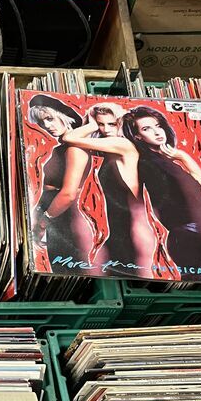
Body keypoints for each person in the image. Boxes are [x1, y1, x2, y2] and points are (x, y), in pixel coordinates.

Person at [121, 106, 201, 278]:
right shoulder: (147, 163)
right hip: (186, 236)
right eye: (146, 129)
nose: (157, 132)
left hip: (200, 232)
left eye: (158, 126)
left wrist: (184, 157)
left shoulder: (169, 160)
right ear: (138, 136)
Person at [61, 103, 145, 276]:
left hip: (132, 218)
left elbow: (69, 137)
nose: (106, 129)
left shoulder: (121, 143)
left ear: (121, 122)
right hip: (118, 218)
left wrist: (91, 125)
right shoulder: (107, 147)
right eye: (101, 124)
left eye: (112, 124)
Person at [27, 95, 93, 264]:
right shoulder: (63, 148)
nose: (46, 126)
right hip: (54, 216)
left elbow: (69, 194)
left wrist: (43, 223)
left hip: (64, 218)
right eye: (42, 122)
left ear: (64, 116)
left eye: (49, 119)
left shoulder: (75, 148)